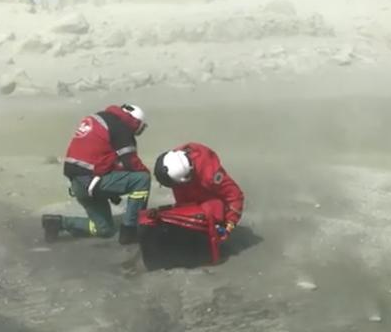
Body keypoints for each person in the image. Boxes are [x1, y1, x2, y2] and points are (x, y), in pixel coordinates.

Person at [42, 104, 151, 245]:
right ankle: (130, 230)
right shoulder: (120, 127)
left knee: (104, 229)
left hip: (78, 183)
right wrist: (147, 174)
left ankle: (58, 223)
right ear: (134, 121)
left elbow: (101, 159)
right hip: (90, 180)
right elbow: (131, 162)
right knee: (142, 179)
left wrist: (112, 191)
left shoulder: (99, 119)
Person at [152, 142, 244, 240]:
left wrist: (229, 226)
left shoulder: (210, 175)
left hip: (210, 198)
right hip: (186, 183)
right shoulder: (174, 160)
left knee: (214, 211)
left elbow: (235, 196)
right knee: (182, 210)